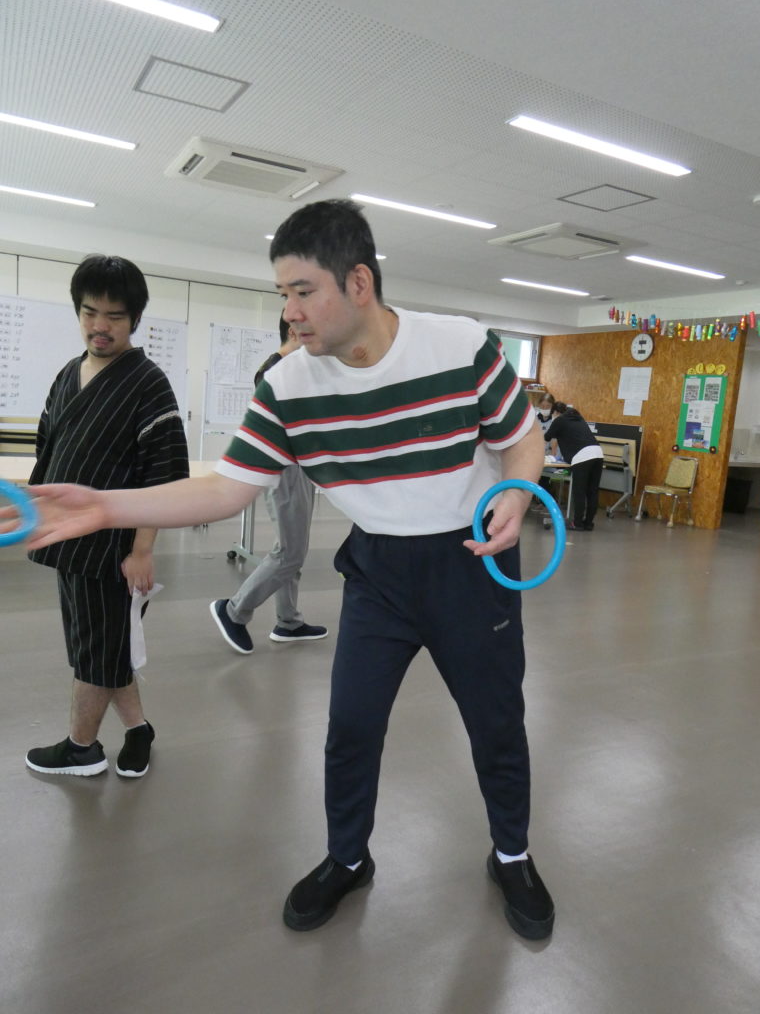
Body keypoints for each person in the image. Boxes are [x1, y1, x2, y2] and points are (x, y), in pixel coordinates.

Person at [15, 200, 554, 940]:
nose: (290, 311)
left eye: (303, 291)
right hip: (378, 570)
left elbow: (523, 440)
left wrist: (518, 493)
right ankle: (348, 857)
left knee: (495, 722)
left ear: (358, 282)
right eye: (282, 294)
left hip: (472, 561)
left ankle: (512, 855)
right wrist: (105, 506)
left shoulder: (460, 346)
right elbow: (225, 488)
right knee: (350, 726)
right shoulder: (289, 384)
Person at [24, 255, 189, 778]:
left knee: (97, 651)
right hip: (68, 539)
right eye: (90, 312)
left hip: (113, 549)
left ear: (134, 319)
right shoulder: (68, 374)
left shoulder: (149, 383)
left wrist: (142, 550)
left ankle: (82, 748)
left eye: (114, 316)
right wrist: (35, 512)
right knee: (99, 648)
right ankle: (138, 730)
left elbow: (164, 477)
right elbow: (48, 448)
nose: (100, 325)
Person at [209, 314, 327, 653]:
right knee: (290, 552)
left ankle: (289, 622)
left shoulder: (291, 369)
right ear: (293, 331)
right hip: (285, 467)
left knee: (292, 546)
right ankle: (234, 611)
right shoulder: (275, 372)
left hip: (296, 466)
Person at [544, 401, 604, 531]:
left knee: (579, 491)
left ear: (555, 412)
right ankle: (588, 523)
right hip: (598, 453)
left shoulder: (559, 420)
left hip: (582, 457)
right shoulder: (578, 417)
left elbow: (547, 437)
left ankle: (577, 523)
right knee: (592, 491)